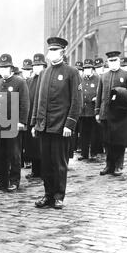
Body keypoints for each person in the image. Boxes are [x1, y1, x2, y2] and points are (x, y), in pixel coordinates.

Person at [31, 37, 82, 209]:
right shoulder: (44, 74)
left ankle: (59, 195)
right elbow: (38, 100)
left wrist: (70, 124)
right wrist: (35, 123)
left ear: (62, 52)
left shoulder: (71, 73)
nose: (51, 53)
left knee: (59, 163)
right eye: (50, 50)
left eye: (54, 50)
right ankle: (48, 195)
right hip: (44, 126)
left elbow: (77, 101)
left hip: (61, 127)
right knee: (46, 163)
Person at [95, 51, 127, 176]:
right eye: (110, 61)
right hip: (105, 114)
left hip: (120, 114)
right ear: (107, 62)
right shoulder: (103, 76)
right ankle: (109, 165)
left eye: (115, 60)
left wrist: (121, 91)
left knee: (119, 141)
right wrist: (97, 111)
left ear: (119, 61)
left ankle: (119, 165)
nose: (113, 63)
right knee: (107, 141)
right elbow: (99, 95)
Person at [0, 54, 29, 193]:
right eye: (1, 68)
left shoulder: (19, 82)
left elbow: (24, 103)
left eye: (6, 67)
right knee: (1, 154)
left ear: (11, 68)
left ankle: (14, 181)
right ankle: (2, 181)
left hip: (13, 124)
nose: (3, 70)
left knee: (14, 154)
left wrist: (21, 121)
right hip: (0, 124)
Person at [24, 54, 46, 180]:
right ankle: (35, 170)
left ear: (44, 66)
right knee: (32, 145)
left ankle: (43, 170)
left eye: (39, 65)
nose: (37, 67)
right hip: (30, 116)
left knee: (40, 146)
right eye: (35, 65)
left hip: (41, 116)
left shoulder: (45, 79)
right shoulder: (30, 81)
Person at [78, 59, 100, 161]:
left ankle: (94, 153)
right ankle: (84, 153)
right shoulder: (80, 79)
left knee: (94, 133)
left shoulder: (98, 79)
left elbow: (101, 92)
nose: (87, 70)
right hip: (83, 111)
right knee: (83, 133)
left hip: (93, 110)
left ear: (92, 69)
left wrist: (96, 98)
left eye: (89, 68)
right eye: (85, 68)